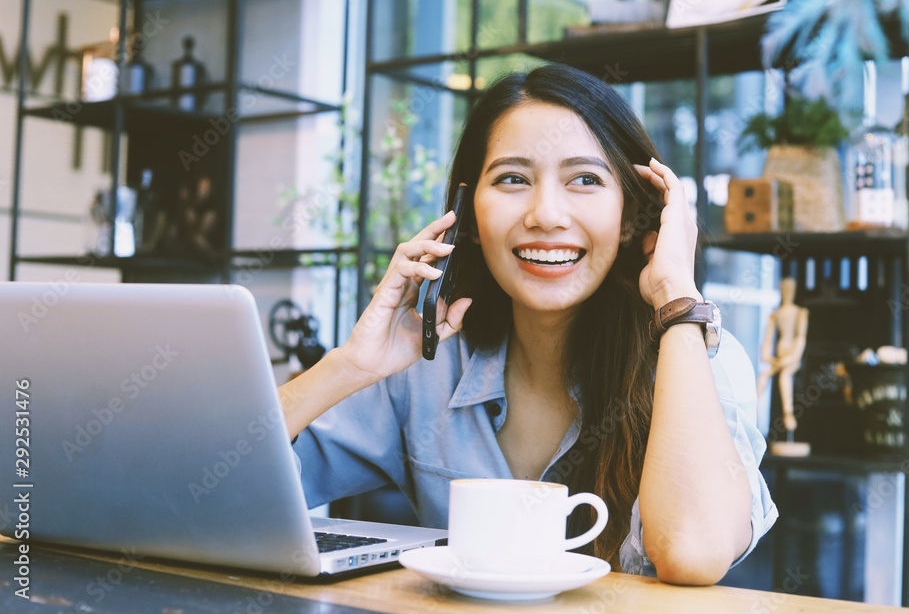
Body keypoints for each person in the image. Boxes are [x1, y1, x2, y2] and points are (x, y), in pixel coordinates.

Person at [279, 63, 776, 584]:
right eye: (513, 179)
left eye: (585, 179)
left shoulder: (698, 356)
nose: (545, 214)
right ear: (468, 213)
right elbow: (205, 486)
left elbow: (693, 552)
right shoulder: (427, 361)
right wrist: (350, 365)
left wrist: (676, 296)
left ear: (633, 216)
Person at [756, 277, 809, 432]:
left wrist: (793, 357)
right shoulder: (775, 314)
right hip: (778, 357)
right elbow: (767, 337)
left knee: (785, 376)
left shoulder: (800, 312)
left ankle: (788, 414)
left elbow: (801, 337)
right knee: (764, 375)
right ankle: (755, 407)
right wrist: (766, 355)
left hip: (791, 357)